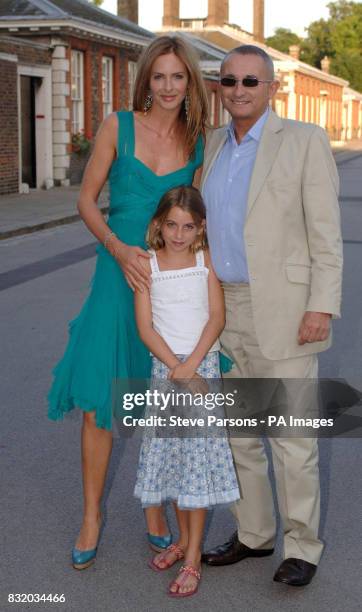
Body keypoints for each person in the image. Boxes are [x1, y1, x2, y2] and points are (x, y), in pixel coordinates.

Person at [47, 35, 209, 569]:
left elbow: (197, 219)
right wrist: (117, 249)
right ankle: (91, 515)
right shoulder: (119, 125)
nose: (167, 86)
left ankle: (154, 508)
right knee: (99, 401)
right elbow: (86, 200)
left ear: (189, 82)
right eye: (159, 76)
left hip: (168, 286)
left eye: (177, 77)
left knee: (158, 398)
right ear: (147, 79)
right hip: (117, 277)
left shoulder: (198, 139)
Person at [200, 45, 343, 586]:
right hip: (226, 309)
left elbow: (326, 235)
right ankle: (255, 535)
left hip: (286, 311)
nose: (239, 89)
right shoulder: (214, 143)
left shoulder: (303, 141)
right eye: (229, 80)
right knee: (239, 434)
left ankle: (302, 545)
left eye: (251, 81)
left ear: (272, 87)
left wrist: (320, 306)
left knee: (291, 438)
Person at [133, 185, 240, 597]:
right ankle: (182, 540)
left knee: (196, 459)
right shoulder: (149, 266)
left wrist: (191, 365)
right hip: (166, 371)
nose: (179, 234)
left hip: (201, 369)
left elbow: (216, 318)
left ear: (201, 229)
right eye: (172, 224)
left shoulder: (205, 261)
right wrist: (174, 367)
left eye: (188, 226)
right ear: (160, 223)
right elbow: (146, 327)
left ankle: (193, 557)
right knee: (177, 461)